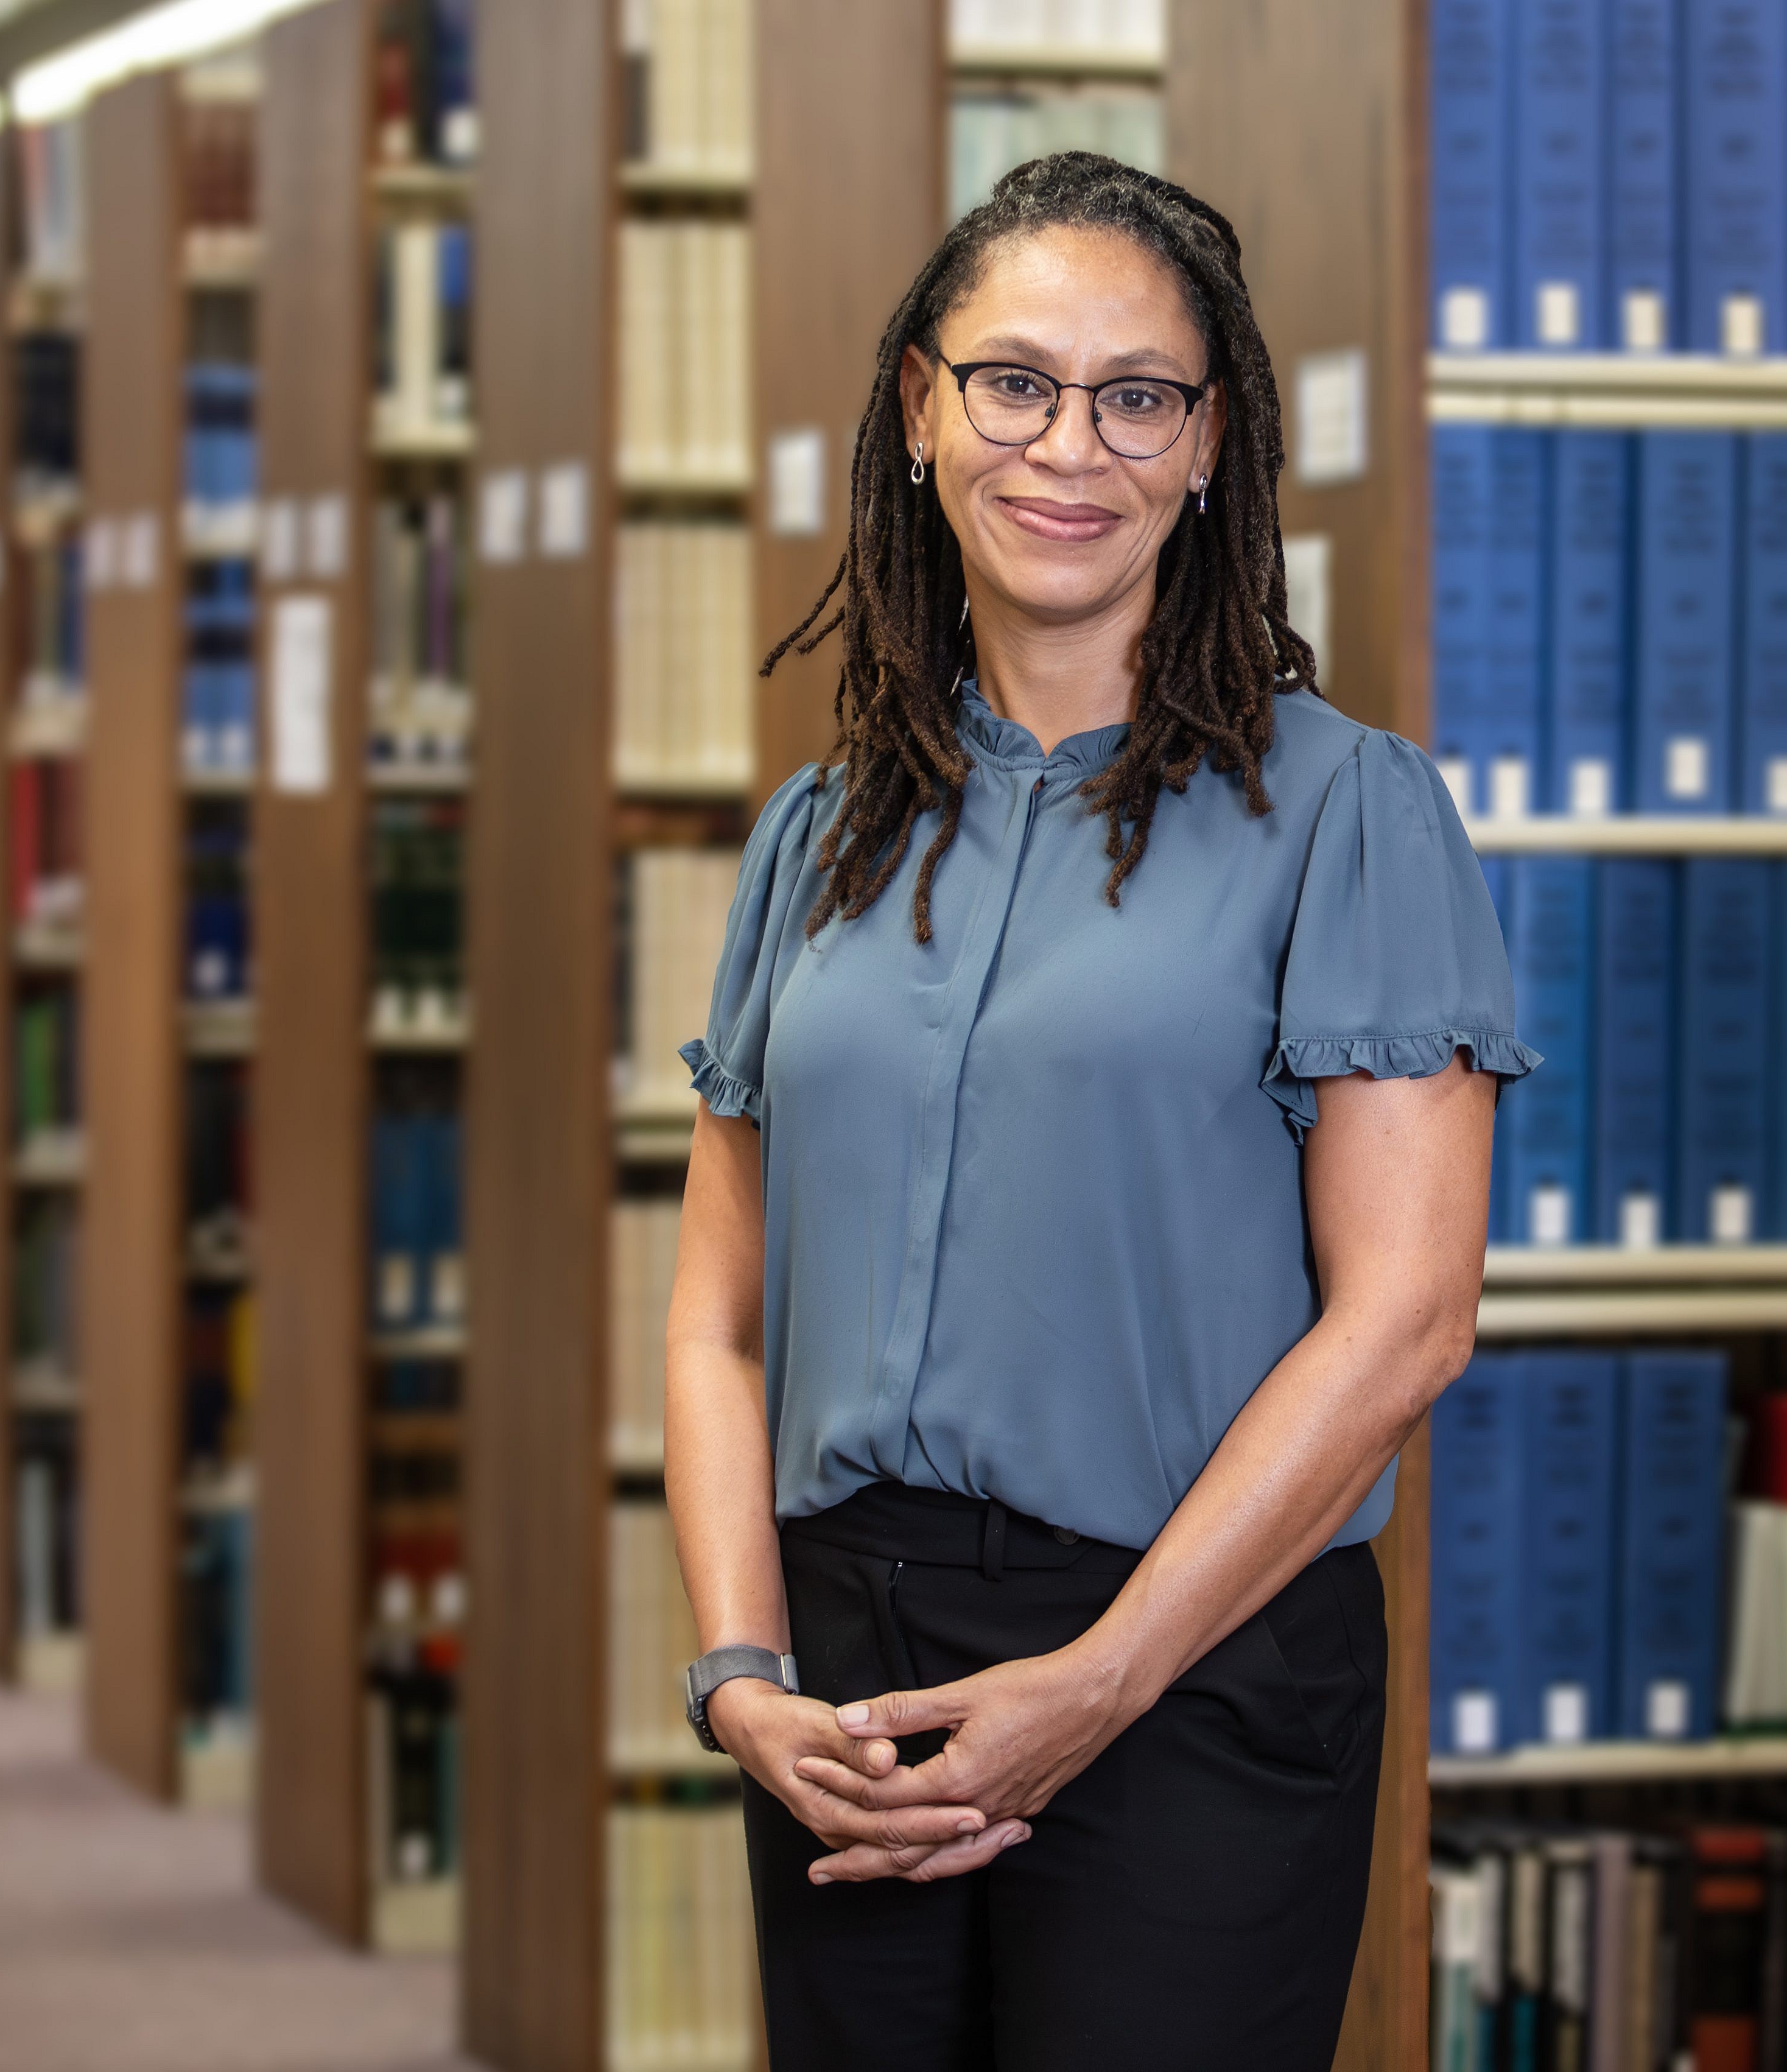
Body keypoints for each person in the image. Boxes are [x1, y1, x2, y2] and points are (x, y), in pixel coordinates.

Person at [662, 151, 1529, 2070]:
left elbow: (1406, 1319)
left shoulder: (1347, 813)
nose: (1073, 445)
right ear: (919, 410)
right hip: (845, 1674)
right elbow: (718, 1316)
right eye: (1014, 382)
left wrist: (1101, 1676)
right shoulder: (816, 835)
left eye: (1140, 395)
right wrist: (739, 1670)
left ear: (1212, 445)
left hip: (1191, 1661)